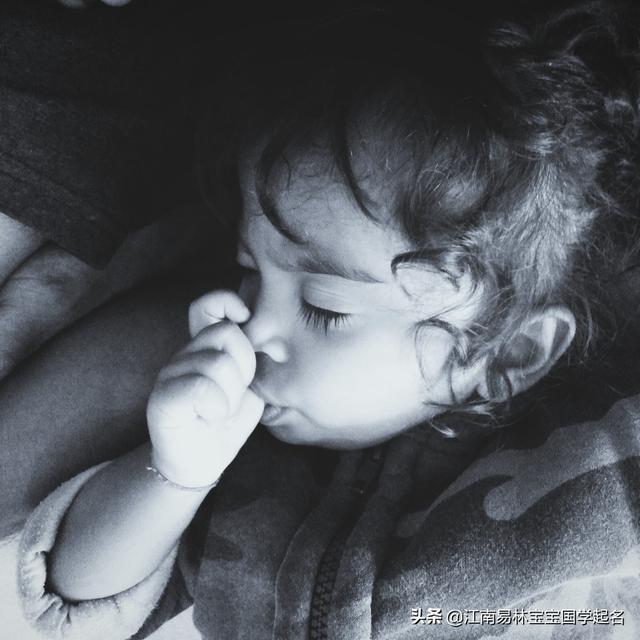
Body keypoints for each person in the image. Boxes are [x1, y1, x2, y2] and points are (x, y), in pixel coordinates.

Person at [16, 1, 640, 638]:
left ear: (508, 352)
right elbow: (77, 595)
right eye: (249, 269)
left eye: (324, 305)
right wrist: (175, 474)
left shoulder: (598, 466)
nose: (255, 328)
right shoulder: (240, 457)